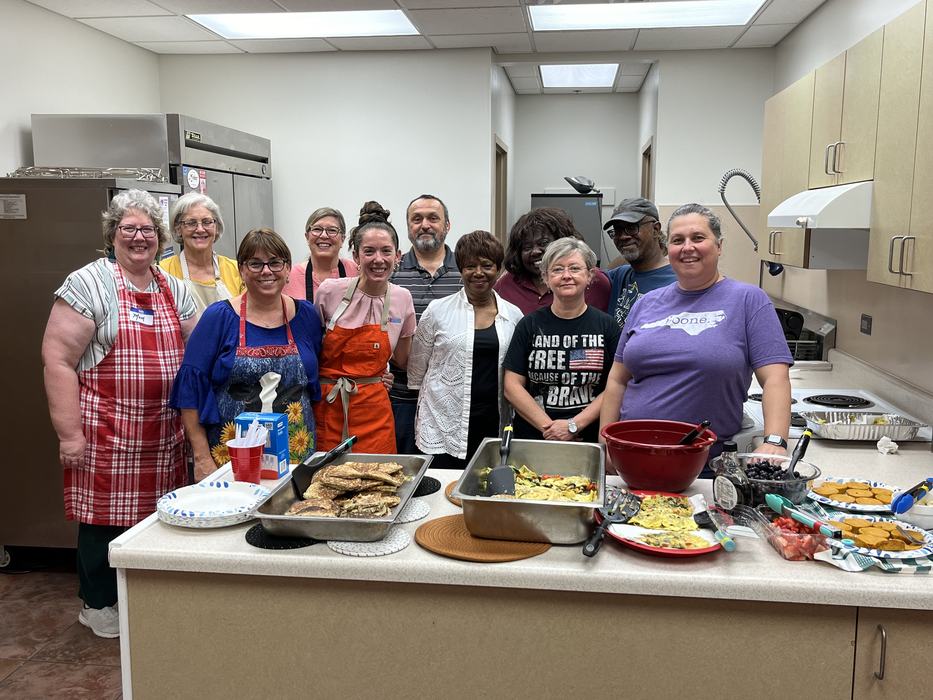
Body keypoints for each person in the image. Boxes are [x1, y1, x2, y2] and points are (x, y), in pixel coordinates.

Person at [41, 189, 198, 639]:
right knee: (101, 523)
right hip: (106, 430)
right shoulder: (88, 284)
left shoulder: (174, 288)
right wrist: (69, 435)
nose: (138, 238)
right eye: (128, 229)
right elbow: (57, 361)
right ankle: (97, 603)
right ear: (113, 235)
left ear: (161, 238)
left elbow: (199, 351)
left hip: (164, 432)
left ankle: (142, 597)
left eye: (148, 230)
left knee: (157, 520)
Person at [599, 203, 792, 461]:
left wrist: (775, 441)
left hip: (703, 464)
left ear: (719, 246)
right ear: (669, 248)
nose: (687, 247)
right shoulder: (646, 303)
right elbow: (617, 380)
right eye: (678, 240)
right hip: (631, 457)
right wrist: (605, 444)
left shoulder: (748, 300)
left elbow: (775, 378)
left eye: (698, 238)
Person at [170, 228, 322, 480]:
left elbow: (321, 374)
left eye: (275, 262)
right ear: (241, 269)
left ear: (287, 269)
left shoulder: (306, 315)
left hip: (297, 455)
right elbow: (190, 390)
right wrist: (201, 457)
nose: (266, 271)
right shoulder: (219, 318)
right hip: (230, 459)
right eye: (255, 263)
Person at [407, 231, 523, 469]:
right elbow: (417, 369)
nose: (478, 273)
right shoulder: (438, 310)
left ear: (499, 269)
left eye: (487, 265)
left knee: (487, 492)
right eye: (470, 266)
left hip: (494, 421)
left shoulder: (513, 315)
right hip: (443, 423)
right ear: (460, 269)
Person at [315, 202, 416, 453]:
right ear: (356, 255)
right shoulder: (330, 291)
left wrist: (385, 372)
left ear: (398, 256)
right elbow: (311, 349)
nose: (378, 259)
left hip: (376, 412)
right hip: (330, 406)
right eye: (369, 251)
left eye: (386, 251)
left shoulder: (403, 298)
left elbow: (403, 360)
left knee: (379, 483)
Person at [503, 238, 621, 444]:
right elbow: (512, 386)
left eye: (575, 268)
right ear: (546, 278)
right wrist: (551, 429)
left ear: (590, 275)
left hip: (587, 439)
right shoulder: (528, 325)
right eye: (557, 270)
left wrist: (573, 425)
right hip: (535, 439)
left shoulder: (607, 327)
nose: (567, 276)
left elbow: (616, 385)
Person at [388, 194, 463, 454]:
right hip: (401, 397)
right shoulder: (391, 273)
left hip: (451, 401)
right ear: (408, 226)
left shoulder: (465, 272)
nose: (425, 225)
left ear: (447, 225)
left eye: (433, 218)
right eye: (416, 219)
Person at [495, 207, 612, 316]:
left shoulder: (595, 281)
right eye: (527, 247)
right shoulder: (506, 285)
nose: (535, 251)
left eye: (543, 243)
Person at [159, 192, 244, 313]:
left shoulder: (238, 270)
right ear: (178, 229)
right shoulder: (163, 271)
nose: (200, 229)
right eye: (191, 223)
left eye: (207, 222)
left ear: (217, 227)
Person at [603, 197, 677, 328]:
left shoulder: (677, 280)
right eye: (617, 231)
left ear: (656, 229)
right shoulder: (619, 276)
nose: (622, 237)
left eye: (631, 228)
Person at [282, 207, 359, 302]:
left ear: (342, 239)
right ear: (307, 237)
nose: (323, 235)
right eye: (317, 229)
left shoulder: (357, 273)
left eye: (332, 230)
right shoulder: (288, 277)